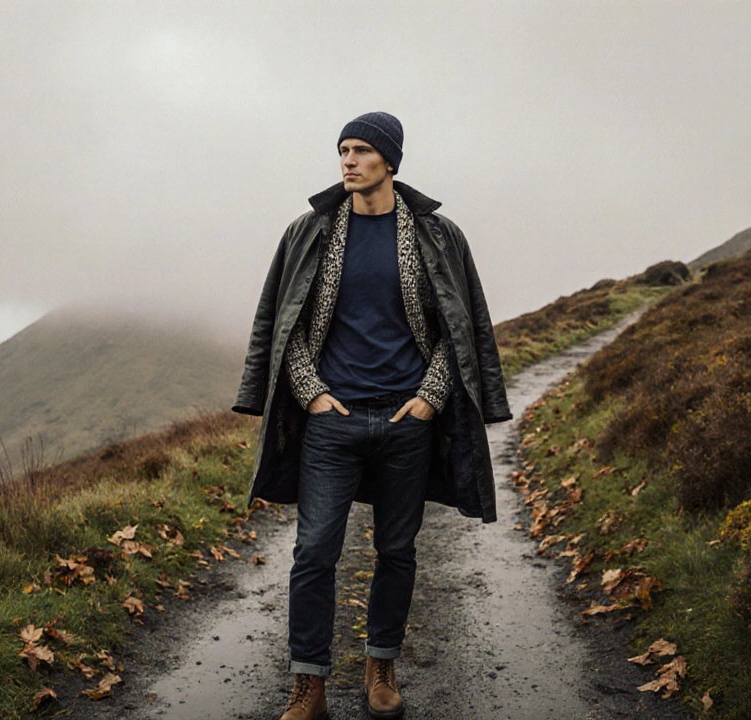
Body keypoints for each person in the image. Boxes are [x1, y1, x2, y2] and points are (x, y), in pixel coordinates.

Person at [232, 111, 511, 720]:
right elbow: (287, 322)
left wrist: (432, 396)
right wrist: (308, 392)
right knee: (314, 553)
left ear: (390, 160)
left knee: (397, 550)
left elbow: (457, 327)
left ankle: (380, 666)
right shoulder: (310, 231)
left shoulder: (438, 236)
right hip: (330, 421)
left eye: (360, 151)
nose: (348, 161)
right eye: (342, 151)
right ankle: (309, 685)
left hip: (405, 421)